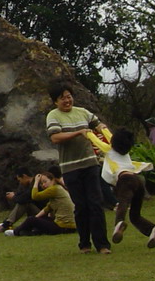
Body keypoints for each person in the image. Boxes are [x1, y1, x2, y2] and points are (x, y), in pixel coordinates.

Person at [45, 80, 111, 254]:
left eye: (68, 97)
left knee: (96, 204)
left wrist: (101, 128)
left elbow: (97, 123)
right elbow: (55, 138)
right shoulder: (53, 116)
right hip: (70, 168)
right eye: (62, 98)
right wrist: (79, 132)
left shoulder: (82, 112)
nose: (67, 101)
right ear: (55, 102)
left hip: (90, 164)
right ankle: (84, 243)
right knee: (81, 206)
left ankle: (103, 244)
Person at [86, 127, 155, 249]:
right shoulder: (125, 152)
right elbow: (113, 138)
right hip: (138, 181)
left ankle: (119, 224)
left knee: (123, 203)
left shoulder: (109, 150)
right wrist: (104, 129)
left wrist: (88, 133)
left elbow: (99, 143)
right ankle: (153, 230)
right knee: (134, 215)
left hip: (125, 180)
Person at [7, 172, 75, 237]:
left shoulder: (54, 189)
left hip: (63, 226)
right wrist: (36, 218)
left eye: (45, 182)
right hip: (69, 227)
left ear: (52, 180)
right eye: (41, 183)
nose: (43, 185)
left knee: (30, 219)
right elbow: (47, 209)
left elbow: (35, 196)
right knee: (38, 219)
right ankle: (26, 232)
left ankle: (15, 232)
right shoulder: (58, 189)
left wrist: (36, 182)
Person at [0, 166, 40, 233]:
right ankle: (7, 223)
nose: (20, 183)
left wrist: (14, 197)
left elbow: (26, 197)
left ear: (24, 176)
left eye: (20, 180)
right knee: (24, 202)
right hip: (38, 211)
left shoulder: (36, 183)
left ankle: (6, 224)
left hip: (43, 211)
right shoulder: (27, 185)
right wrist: (15, 195)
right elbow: (22, 194)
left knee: (25, 203)